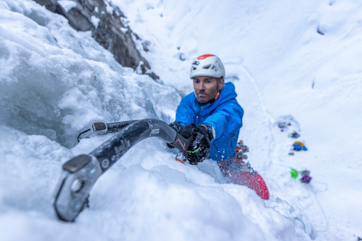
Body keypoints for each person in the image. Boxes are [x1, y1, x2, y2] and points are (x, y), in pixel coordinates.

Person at [169, 54, 244, 168]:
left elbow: (223, 118)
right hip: (198, 163)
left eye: (208, 81)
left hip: (227, 166)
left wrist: (206, 130)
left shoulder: (231, 106)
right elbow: (184, 121)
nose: (200, 87)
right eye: (197, 81)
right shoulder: (188, 102)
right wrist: (179, 130)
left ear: (221, 83)